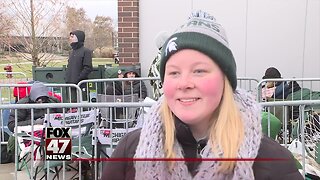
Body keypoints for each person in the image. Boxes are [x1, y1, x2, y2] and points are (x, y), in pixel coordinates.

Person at [102, 10, 303, 179]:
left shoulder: (273, 162)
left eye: (199, 70)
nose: (184, 83)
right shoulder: (131, 150)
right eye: (174, 72)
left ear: (225, 80)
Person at [65, 30, 93, 102]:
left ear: (78, 38)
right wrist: (67, 78)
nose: (70, 38)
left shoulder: (86, 51)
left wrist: (78, 79)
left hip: (81, 85)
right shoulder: (71, 52)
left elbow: (88, 67)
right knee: (72, 106)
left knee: (82, 105)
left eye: (72, 37)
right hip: (70, 84)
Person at [148, 31, 170, 100]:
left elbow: (150, 78)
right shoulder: (167, 57)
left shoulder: (155, 60)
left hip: (158, 97)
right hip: (165, 97)